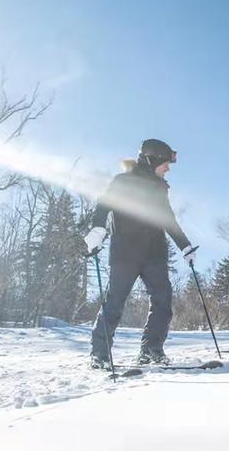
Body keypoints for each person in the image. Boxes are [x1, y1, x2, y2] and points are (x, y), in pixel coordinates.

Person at [84, 139, 197, 367]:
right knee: (114, 301)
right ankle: (100, 353)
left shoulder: (160, 189)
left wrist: (185, 246)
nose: (168, 168)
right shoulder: (123, 181)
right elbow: (105, 204)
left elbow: (169, 220)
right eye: (165, 163)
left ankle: (151, 350)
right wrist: (98, 227)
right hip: (125, 252)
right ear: (151, 160)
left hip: (155, 253)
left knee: (163, 301)